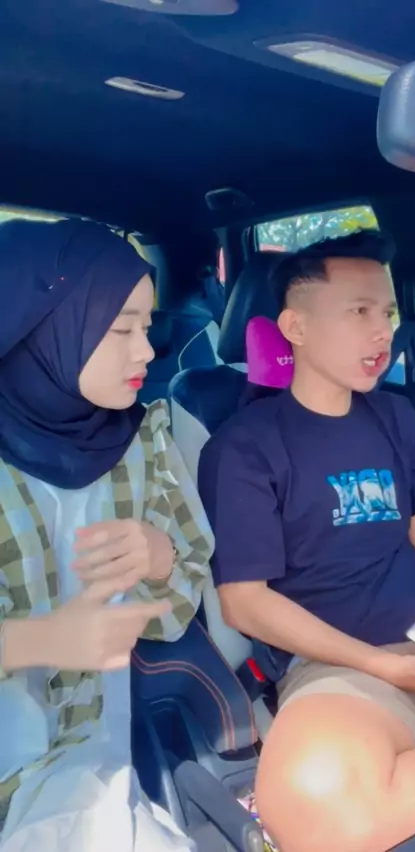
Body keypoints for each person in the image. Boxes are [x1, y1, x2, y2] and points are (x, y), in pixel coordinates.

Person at [198, 229, 415, 852]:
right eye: (359, 312)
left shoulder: (399, 417)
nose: (382, 332)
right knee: (318, 812)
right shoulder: (245, 446)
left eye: (388, 314)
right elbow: (244, 603)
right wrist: (387, 666)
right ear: (295, 326)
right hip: (339, 662)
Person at [0, 218, 213, 851]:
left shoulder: (142, 439)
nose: (146, 352)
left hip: (87, 764)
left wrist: (160, 555)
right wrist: (36, 640)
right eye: (121, 329)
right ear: (44, 327)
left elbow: (178, 600)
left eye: (147, 327)